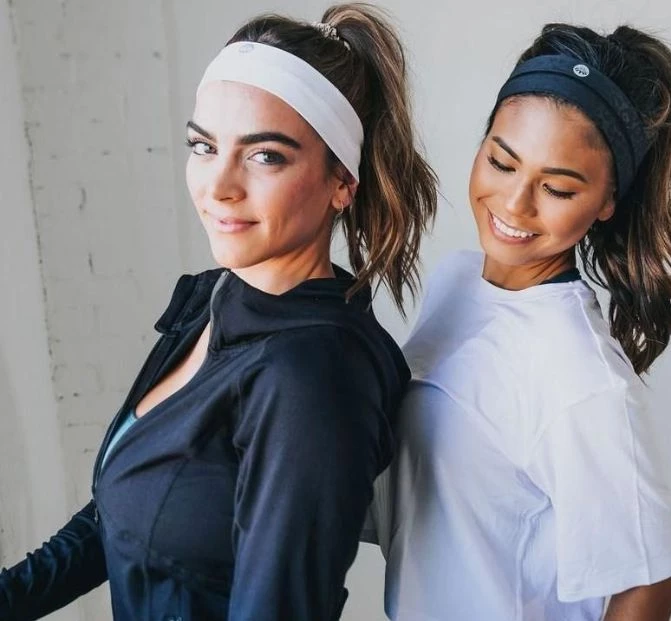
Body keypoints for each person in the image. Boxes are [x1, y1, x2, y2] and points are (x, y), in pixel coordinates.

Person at [0, 4, 437, 620]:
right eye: (204, 146)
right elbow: (118, 511)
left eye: (265, 155)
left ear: (342, 181)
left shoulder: (311, 377)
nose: (219, 186)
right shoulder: (215, 299)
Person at [372, 23, 671, 621]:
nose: (515, 204)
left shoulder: (581, 376)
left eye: (558, 188)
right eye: (502, 162)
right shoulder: (456, 282)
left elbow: (653, 577)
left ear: (607, 201)